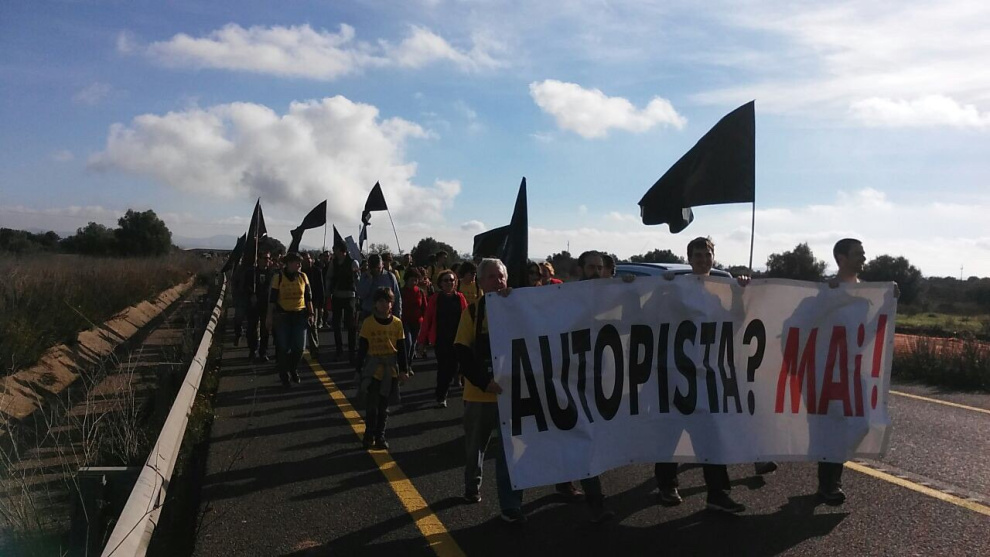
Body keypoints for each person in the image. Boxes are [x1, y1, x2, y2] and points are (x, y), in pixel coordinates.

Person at [654, 237, 749, 513]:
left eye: (707, 254)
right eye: (697, 255)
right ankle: (666, 485)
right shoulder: (676, 287)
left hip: (708, 376)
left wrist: (739, 292)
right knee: (670, 433)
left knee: (711, 435)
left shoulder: (719, 290)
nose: (703, 259)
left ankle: (718, 494)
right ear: (689, 258)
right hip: (676, 373)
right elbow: (652, 315)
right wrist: (657, 289)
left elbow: (736, 321)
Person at [355, 287, 410, 450]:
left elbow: (401, 348)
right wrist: (358, 369)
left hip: (389, 370)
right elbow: (362, 348)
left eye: (388, 301)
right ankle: (369, 435)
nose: (384, 304)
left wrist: (404, 370)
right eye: (381, 301)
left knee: (384, 407)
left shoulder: (397, 323)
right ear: (375, 304)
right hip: (373, 369)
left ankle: (380, 435)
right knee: (372, 405)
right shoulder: (368, 323)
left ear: (392, 304)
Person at [419, 270, 467, 408]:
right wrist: (422, 342)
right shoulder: (435, 298)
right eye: (446, 280)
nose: (449, 283)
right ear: (440, 283)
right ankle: (441, 396)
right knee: (443, 368)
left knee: (453, 367)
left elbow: (466, 318)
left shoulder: (460, 298)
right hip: (441, 339)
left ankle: (443, 390)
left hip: (457, 339)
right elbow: (427, 320)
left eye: (451, 280)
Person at [266, 252, 314, 387]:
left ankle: (293, 367)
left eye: (300, 263)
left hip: (300, 315)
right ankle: (284, 375)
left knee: (299, 348)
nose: (299, 265)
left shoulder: (303, 277)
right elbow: (272, 300)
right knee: (283, 347)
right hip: (283, 316)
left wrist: (311, 313)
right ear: (288, 263)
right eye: (296, 262)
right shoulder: (279, 278)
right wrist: (269, 317)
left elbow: (308, 297)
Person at [329, 243, 359, 362]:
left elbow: (357, 280)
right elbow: (329, 277)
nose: (334, 251)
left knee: (351, 325)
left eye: (335, 249)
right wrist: (328, 292)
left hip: (349, 296)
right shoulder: (333, 263)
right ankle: (339, 350)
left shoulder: (353, 262)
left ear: (341, 250)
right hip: (337, 295)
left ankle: (352, 352)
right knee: (336, 325)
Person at [246, 251, 274, 362]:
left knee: (265, 329)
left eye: (268, 258)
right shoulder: (251, 272)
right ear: (259, 259)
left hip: (266, 304)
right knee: (252, 329)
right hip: (253, 304)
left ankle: (263, 351)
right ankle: (253, 350)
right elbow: (245, 286)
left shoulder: (272, 273)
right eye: (265, 258)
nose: (267, 260)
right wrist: (251, 294)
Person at [400, 268, 427, 372]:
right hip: (404, 321)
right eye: (412, 280)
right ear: (407, 280)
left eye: (416, 280)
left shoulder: (420, 292)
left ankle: (409, 365)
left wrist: (426, 322)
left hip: (417, 322)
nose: (414, 282)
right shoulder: (401, 291)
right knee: (408, 343)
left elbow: (424, 307)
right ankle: (404, 365)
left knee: (413, 344)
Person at [303, 253, 324, 357]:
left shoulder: (317, 271)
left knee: (312, 326)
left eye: (309, 259)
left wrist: (321, 305)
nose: (308, 261)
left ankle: (315, 349)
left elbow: (321, 288)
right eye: (306, 259)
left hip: (313, 302)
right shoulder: (300, 273)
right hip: (301, 303)